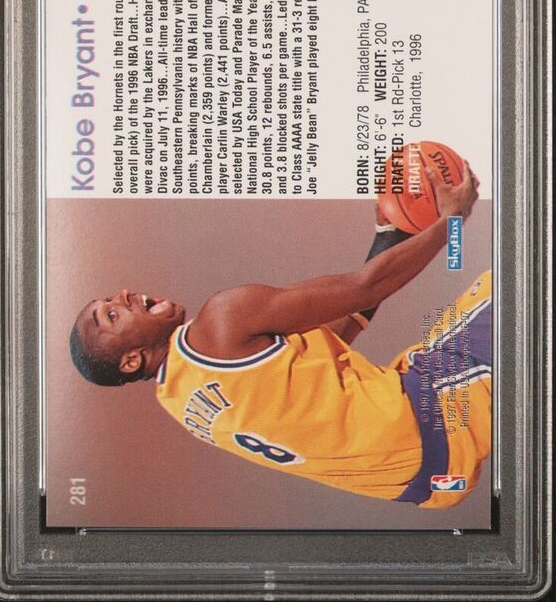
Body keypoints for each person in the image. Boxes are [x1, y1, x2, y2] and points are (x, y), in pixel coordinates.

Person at [70, 163, 491, 508]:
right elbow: (366, 288)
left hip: (435, 481)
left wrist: (388, 239)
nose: (123, 295)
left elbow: (333, 341)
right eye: (111, 314)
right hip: (438, 412)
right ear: (131, 359)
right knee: (516, 284)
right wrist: (452, 222)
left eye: (110, 299)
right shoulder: (221, 321)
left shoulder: (180, 404)